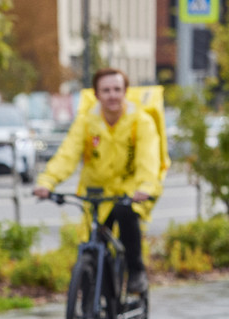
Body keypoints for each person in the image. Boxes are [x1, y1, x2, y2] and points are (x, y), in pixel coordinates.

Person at [33, 67, 163, 294]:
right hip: (96, 193)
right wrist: (47, 182)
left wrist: (146, 186)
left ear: (125, 92)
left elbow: (148, 160)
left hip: (130, 191)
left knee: (126, 214)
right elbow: (67, 154)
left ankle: (136, 271)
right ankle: (92, 306)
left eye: (117, 89)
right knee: (91, 248)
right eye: (106, 90)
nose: (112, 95)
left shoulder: (140, 122)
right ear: (96, 94)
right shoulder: (86, 122)